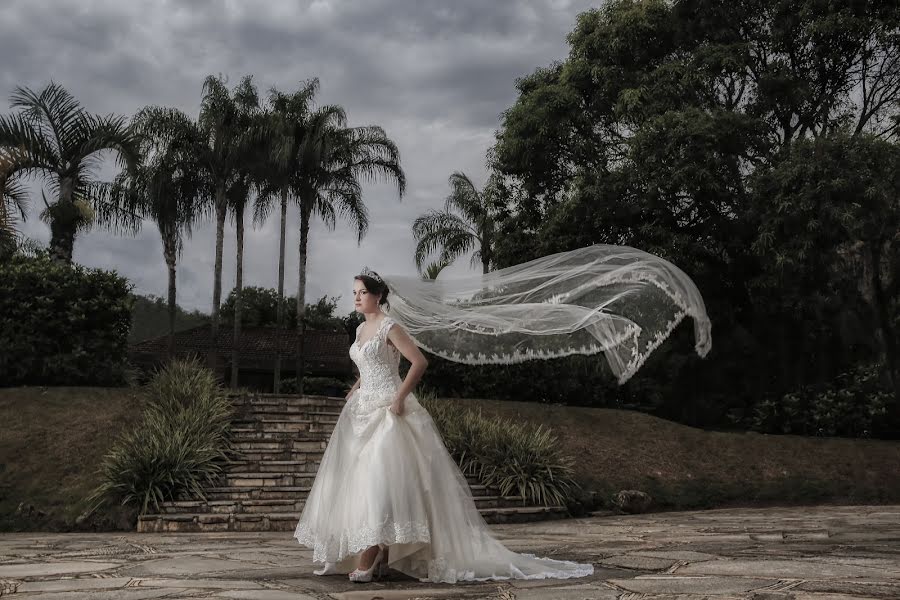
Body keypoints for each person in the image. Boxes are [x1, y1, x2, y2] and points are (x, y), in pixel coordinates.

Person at [293, 269, 594, 583]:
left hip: (389, 413)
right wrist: (356, 386)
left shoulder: (389, 326)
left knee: (379, 481)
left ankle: (371, 555)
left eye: (362, 292)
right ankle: (370, 551)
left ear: (379, 295)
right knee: (357, 485)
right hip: (360, 411)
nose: (356, 297)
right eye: (354, 292)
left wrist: (399, 397)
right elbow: (371, 363)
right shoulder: (359, 330)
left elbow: (419, 362)